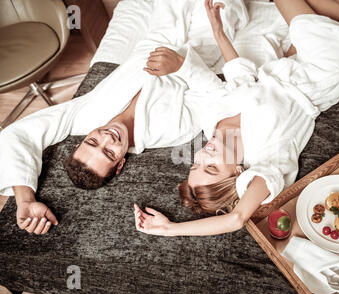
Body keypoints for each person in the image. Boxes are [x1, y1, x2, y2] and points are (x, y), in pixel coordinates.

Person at [0, 0, 250, 235]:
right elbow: (213, 95)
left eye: (92, 142)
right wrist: (180, 66)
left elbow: (17, 134)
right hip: (204, 33)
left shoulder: (84, 116)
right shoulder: (168, 130)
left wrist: (25, 199)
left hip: (166, 16)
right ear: (120, 164)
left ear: (82, 139)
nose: (107, 138)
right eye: (109, 153)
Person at [133, 0, 339, 236]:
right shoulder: (268, 157)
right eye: (212, 167)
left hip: (291, 60)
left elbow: (239, 79)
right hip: (322, 70)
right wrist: (169, 229)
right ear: (238, 173)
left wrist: (218, 32)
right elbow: (236, 219)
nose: (203, 154)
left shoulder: (213, 125)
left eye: (196, 164)